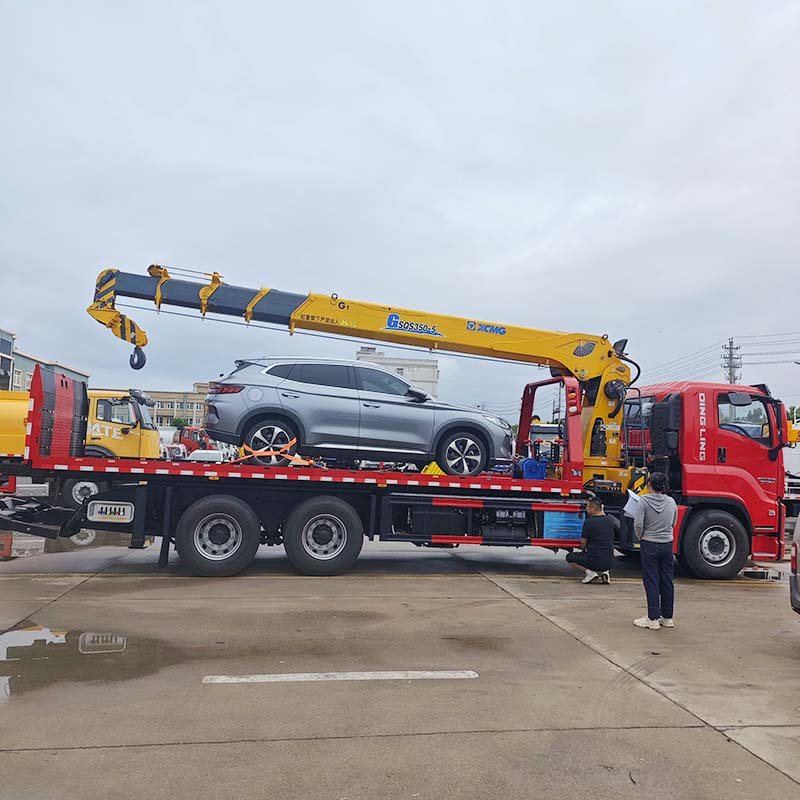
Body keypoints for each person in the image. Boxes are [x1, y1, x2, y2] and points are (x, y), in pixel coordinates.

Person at [632, 472, 678, 630]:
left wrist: (641, 536)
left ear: (649, 484)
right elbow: (674, 522)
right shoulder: (671, 502)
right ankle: (668, 617)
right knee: (667, 580)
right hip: (667, 544)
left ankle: (652, 618)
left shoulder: (643, 501)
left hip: (649, 543)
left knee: (651, 579)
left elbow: (638, 524)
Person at [566, 498, 617, 584]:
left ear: (593, 508)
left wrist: (583, 549)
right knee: (604, 553)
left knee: (569, 557)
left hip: (593, 561)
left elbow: (583, 542)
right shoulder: (610, 521)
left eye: (587, 506)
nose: (586, 508)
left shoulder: (589, 522)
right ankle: (605, 572)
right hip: (609, 562)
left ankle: (590, 573)